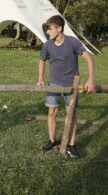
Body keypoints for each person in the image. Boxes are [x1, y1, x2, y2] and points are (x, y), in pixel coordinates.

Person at [36, 15, 95, 158]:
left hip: (72, 84)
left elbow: (88, 57)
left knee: (72, 114)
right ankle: (52, 141)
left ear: (59, 28)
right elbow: (42, 61)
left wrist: (91, 79)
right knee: (52, 112)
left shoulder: (73, 42)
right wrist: (40, 79)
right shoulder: (47, 45)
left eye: (50, 29)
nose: (47, 32)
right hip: (54, 82)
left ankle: (72, 145)